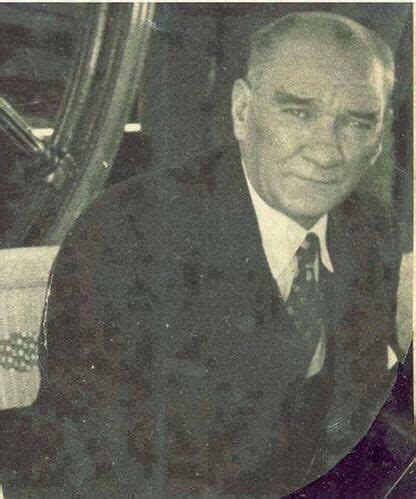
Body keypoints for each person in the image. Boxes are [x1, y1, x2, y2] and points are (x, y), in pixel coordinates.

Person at [0, 11, 403, 497]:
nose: (327, 150)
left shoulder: (368, 230)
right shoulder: (128, 234)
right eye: (298, 112)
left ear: (382, 134)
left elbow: (353, 423)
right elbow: (99, 458)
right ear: (241, 111)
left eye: (357, 123)